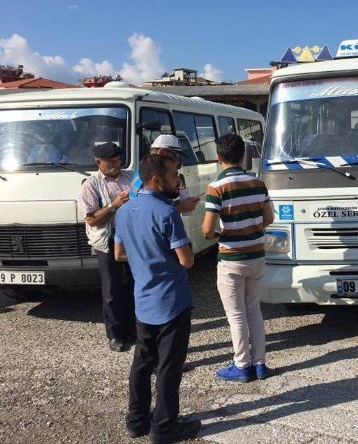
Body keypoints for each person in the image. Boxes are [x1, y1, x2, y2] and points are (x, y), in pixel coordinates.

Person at [114, 154, 201, 443]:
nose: (178, 180)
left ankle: (136, 420)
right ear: (156, 179)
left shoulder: (124, 211)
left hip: (144, 300)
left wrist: (146, 256)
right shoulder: (167, 213)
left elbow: (118, 254)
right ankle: (164, 427)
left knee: (142, 361)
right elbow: (186, 260)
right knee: (168, 367)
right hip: (172, 301)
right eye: (175, 174)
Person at [202, 134, 274, 382]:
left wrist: (224, 232)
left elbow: (207, 229)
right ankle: (261, 363)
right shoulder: (258, 184)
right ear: (243, 155)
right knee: (254, 309)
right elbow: (269, 218)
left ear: (218, 157)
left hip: (232, 258)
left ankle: (242, 365)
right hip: (257, 255)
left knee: (236, 315)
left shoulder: (216, 188)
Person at [79, 142, 135, 352]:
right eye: (110, 161)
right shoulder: (91, 184)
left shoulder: (130, 177)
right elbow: (92, 220)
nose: (115, 164)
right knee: (111, 288)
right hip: (108, 241)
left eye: (118, 159)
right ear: (98, 162)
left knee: (133, 284)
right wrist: (114, 205)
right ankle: (115, 335)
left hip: (131, 239)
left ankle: (133, 329)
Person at [130, 134, 199, 215]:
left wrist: (178, 204)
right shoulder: (147, 177)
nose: (176, 162)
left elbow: (158, 204)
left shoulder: (144, 172)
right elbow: (147, 213)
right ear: (162, 152)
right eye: (175, 157)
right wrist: (181, 208)